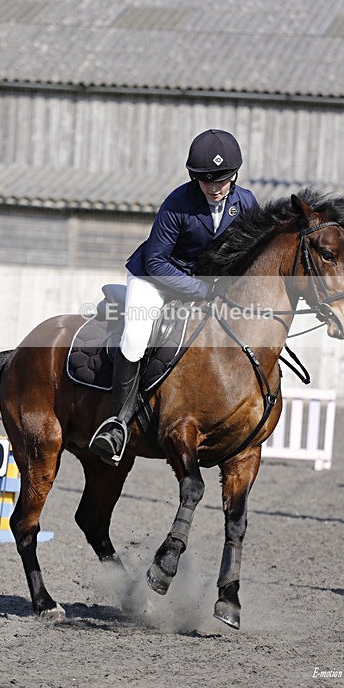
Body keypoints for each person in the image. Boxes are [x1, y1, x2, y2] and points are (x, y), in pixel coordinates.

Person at [89, 129, 259, 466]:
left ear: (234, 175)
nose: (215, 188)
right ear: (195, 177)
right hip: (154, 279)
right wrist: (202, 291)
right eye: (207, 180)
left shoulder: (246, 203)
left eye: (222, 179)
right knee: (136, 338)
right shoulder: (178, 203)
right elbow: (155, 261)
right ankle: (117, 425)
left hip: (205, 285)